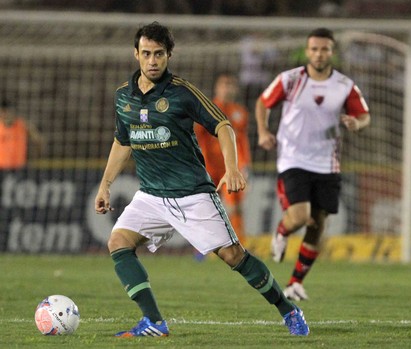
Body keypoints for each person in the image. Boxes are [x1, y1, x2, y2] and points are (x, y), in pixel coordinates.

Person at [94, 22, 308, 337]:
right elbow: (122, 141)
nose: (153, 61)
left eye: (159, 54)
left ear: (168, 55)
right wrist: (105, 184)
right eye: (147, 54)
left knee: (235, 256)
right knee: (118, 242)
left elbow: (223, 125)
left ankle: (288, 311)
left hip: (192, 194)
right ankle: (154, 322)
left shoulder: (182, 92)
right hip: (151, 195)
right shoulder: (123, 96)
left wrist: (233, 167)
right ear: (136, 54)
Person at [255, 27, 370, 301]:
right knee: (298, 217)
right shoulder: (290, 80)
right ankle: (281, 232)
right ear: (307, 51)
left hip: (327, 162)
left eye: (325, 49)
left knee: (318, 224)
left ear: (332, 52)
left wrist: (357, 123)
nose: (319, 54)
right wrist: (262, 131)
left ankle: (295, 282)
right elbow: (263, 102)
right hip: (293, 157)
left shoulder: (344, 85)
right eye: (315, 49)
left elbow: (364, 115)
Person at [194, 73, 251, 245]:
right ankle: (203, 247)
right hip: (209, 167)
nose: (227, 89)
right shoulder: (206, 110)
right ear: (217, 88)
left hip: (231, 168)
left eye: (230, 85)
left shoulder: (240, 113)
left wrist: (245, 165)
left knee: (235, 206)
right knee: (205, 207)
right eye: (224, 85)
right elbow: (198, 138)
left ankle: (239, 245)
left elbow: (242, 141)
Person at [0, 99, 43, 170]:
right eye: (3, 112)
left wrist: (33, 160)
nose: (5, 114)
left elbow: (39, 141)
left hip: (19, 168)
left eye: (7, 111)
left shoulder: (23, 125)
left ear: (12, 112)